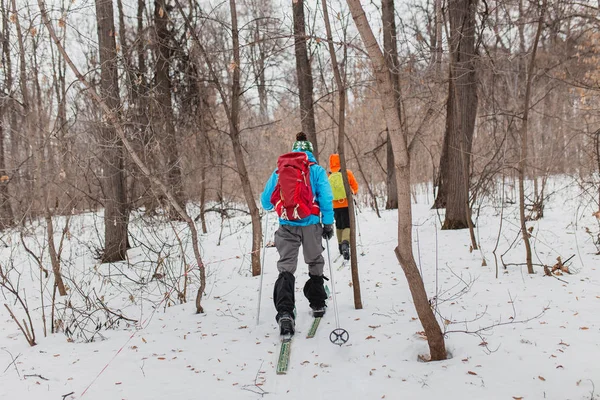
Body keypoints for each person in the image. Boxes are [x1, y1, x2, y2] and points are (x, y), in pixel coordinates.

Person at [261, 132, 335, 336]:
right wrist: (328, 224)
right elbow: (327, 198)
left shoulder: (280, 170)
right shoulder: (317, 171)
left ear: (294, 151)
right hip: (311, 223)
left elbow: (266, 201)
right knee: (314, 261)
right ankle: (318, 302)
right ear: (310, 152)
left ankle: (285, 313)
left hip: (287, 224)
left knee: (286, 267)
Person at [328, 154, 359, 261]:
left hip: (334, 205)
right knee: (347, 225)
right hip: (346, 204)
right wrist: (353, 193)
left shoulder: (329, 175)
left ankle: (340, 246)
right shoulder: (347, 173)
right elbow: (355, 187)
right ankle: (346, 243)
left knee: (339, 225)